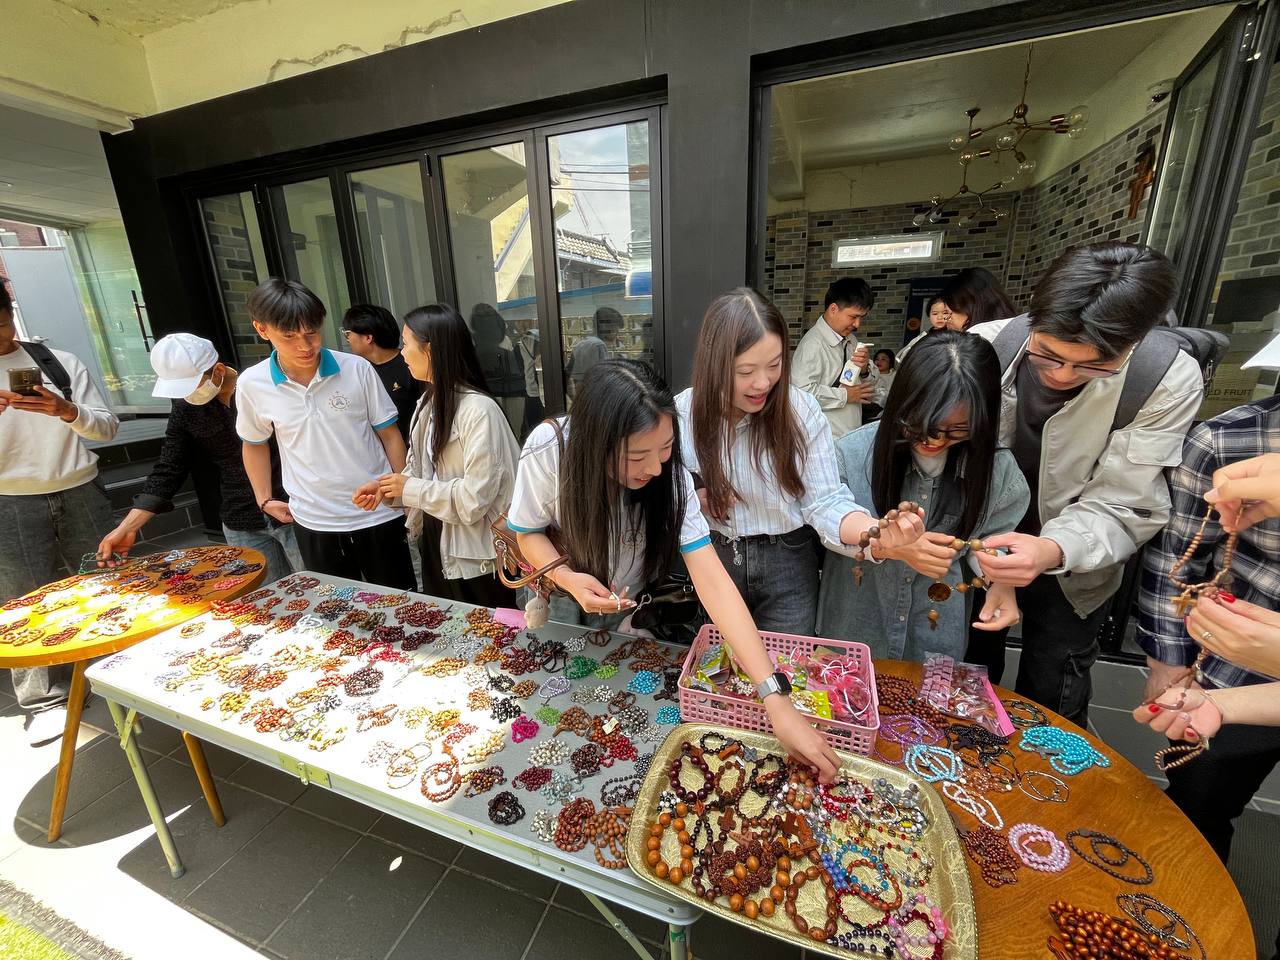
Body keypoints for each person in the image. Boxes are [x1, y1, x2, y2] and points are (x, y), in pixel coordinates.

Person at [508, 358, 920, 781]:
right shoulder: (550, 449)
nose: (654, 468)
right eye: (637, 456)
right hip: (560, 593)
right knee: (558, 704)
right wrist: (567, 578)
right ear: (596, 445)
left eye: (666, 450)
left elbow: (715, 584)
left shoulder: (671, 480)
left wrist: (774, 697)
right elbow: (527, 532)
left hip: (626, 597)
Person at [964, 242, 1203, 727]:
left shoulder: (1166, 377)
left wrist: (1050, 549)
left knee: (1055, 689)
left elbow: (1125, 500)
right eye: (1047, 356)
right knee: (967, 676)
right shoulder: (986, 347)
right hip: (978, 549)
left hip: (1077, 566)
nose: (1062, 376)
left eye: (1093, 366)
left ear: (1135, 340)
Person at [676, 288, 924, 634]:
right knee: (723, 669)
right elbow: (661, 490)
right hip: (715, 558)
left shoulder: (800, 409)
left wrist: (875, 534)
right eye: (745, 370)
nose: (763, 383)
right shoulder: (682, 413)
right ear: (712, 364)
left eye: (775, 365)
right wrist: (694, 497)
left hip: (788, 560)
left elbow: (825, 503)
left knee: (788, 672)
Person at [1132, 402, 1280, 960]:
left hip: (1243, 665)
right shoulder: (1227, 441)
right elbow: (1175, 559)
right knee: (1198, 806)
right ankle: (1185, 919)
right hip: (1233, 676)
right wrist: (1181, 673)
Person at [817, 332, 1028, 661]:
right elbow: (826, 520)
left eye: (957, 429)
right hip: (855, 626)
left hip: (935, 635)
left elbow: (990, 540)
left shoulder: (996, 468)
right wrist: (887, 543)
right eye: (918, 424)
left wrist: (998, 577)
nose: (934, 440)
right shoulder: (854, 452)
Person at [237, 278, 415, 590]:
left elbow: (390, 435)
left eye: (312, 333)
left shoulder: (356, 368)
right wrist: (264, 499)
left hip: (378, 513)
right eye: (289, 336)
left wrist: (402, 490)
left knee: (400, 604)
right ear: (262, 330)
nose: (305, 346)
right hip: (314, 519)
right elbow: (254, 444)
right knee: (336, 610)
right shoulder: (253, 383)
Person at [0, 275, 119, 744]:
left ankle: (119, 670)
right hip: (9, 501)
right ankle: (44, 699)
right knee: (23, 601)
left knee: (109, 585)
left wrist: (66, 411)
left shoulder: (57, 363)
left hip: (81, 490)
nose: (2, 336)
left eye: (4, 323)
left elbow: (106, 428)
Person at [97, 334, 301, 583]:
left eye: (192, 386)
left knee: (321, 587)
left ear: (217, 370)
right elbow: (169, 467)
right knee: (267, 600)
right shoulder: (186, 409)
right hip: (240, 517)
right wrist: (127, 527)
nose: (188, 395)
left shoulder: (260, 386)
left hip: (294, 510)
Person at [356, 304, 519, 606]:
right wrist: (389, 487)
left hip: (476, 557)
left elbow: (474, 500)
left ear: (429, 349)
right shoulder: (429, 402)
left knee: (489, 640)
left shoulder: (479, 411)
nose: (402, 352)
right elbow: (421, 470)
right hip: (437, 541)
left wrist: (409, 489)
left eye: (406, 343)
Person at [792, 278, 879, 439]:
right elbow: (800, 393)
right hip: (825, 439)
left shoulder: (851, 340)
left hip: (849, 433)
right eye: (853, 317)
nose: (857, 324)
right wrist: (845, 396)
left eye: (862, 317)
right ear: (833, 309)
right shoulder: (813, 344)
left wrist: (866, 369)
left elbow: (868, 387)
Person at [341, 304, 422, 444]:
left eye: (348, 334)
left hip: (417, 451)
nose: (347, 339)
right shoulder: (359, 371)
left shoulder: (411, 365)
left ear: (368, 338)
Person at [566, 306, 625, 398]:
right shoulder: (598, 345)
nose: (617, 335)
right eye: (616, 330)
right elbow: (602, 380)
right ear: (607, 327)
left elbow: (569, 376)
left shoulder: (582, 343)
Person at [938, 266, 1016, 331]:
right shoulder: (1015, 329)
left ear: (970, 307)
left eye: (948, 313)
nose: (946, 320)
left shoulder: (975, 343)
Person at [897, 297, 952, 362]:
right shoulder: (923, 336)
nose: (939, 317)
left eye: (945, 313)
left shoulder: (956, 334)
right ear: (929, 315)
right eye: (935, 313)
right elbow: (901, 358)